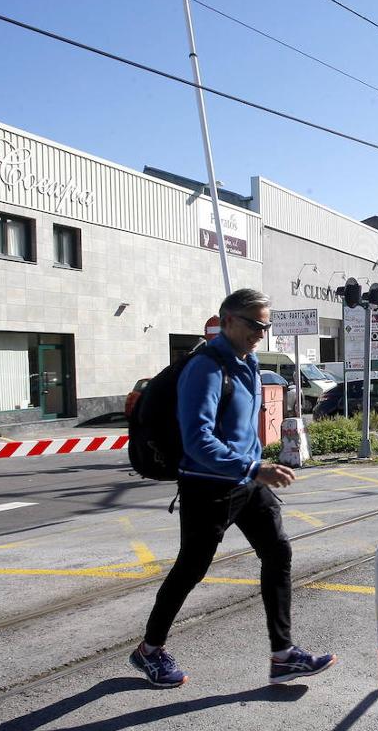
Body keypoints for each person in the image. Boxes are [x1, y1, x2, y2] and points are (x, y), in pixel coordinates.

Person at [131, 288, 336, 687]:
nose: (261, 332)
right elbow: (198, 440)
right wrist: (253, 467)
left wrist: (256, 465)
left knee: (278, 553)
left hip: (247, 482)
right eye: (254, 324)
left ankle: (284, 655)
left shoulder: (248, 362)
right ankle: (149, 651)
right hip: (208, 485)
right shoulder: (205, 369)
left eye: (266, 325)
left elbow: (242, 428)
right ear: (226, 321)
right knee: (191, 569)